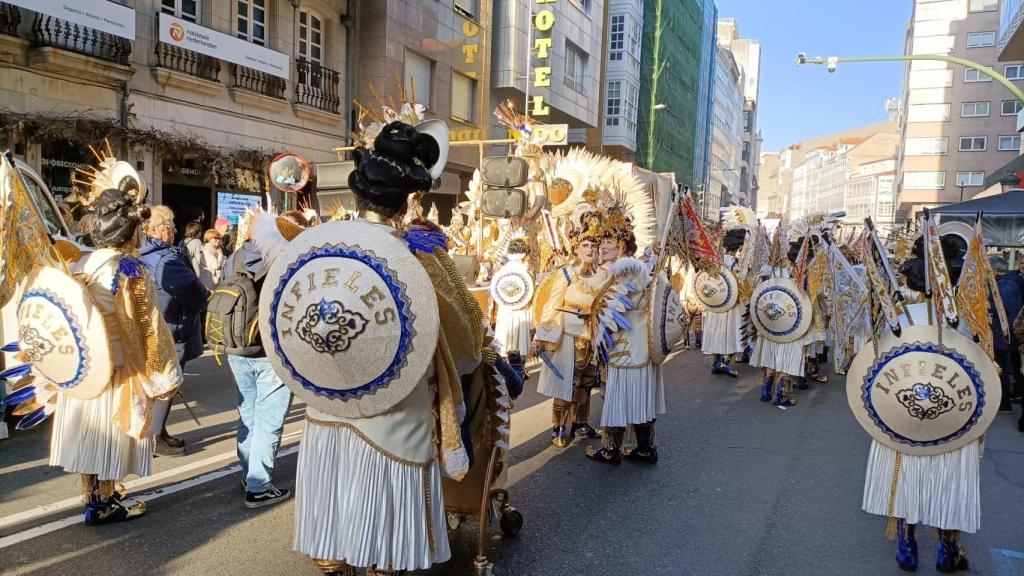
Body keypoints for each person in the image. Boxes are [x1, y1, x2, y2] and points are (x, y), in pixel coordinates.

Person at [266, 118, 480, 576]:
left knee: (335, 500)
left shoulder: (316, 243)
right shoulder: (419, 257)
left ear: (357, 193)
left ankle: (333, 560)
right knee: (387, 530)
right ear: (407, 201)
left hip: (328, 403)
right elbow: (463, 336)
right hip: (397, 410)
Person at [57, 188, 182, 524]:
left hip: (84, 367)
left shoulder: (82, 260)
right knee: (109, 438)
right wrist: (164, 373)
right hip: (118, 368)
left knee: (91, 438)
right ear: (130, 233)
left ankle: (99, 496)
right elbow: (149, 327)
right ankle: (102, 505)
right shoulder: (130, 268)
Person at [222, 211, 307, 508]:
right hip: (268, 349)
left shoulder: (234, 256)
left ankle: (248, 472)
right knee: (269, 417)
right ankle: (258, 486)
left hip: (233, 346)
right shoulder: (281, 259)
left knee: (247, 412)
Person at [140, 205, 210, 455]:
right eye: (171, 227)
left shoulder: (142, 252)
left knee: (156, 385)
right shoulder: (165, 259)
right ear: (159, 230)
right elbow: (193, 291)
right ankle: (154, 436)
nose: (175, 231)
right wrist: (205, 298)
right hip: (171, 328)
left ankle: (156, 431)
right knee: (165, 384)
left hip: (155, 327)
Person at [533, 213, 608, 447]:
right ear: (576, 249)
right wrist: (542, 338)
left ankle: (580, 422)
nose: (590, 249)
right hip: (568, 339)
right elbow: (552, 306)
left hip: (592, 338)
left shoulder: (603, 276)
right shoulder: (565, 273)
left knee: (586, 384)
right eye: (585, 245)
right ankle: (558, 427)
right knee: (566, 386)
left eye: (594, 245)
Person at [990, 256, 1023, 420]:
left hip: (1002, 335)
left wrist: (989, 311)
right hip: (1004, 335)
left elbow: (1005, 312)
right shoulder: (1008, 283)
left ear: (994, 270)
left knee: (1000, 368)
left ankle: (1004, 402)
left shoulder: (1005, 286)